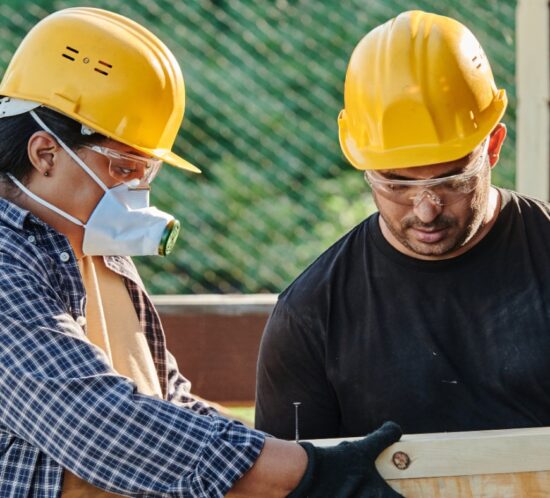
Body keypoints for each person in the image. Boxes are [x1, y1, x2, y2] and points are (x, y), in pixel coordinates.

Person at [0, 6, 404, 498]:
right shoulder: (7, 263)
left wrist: (285, 461)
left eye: (149, 171)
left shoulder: (99, 248)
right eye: (125, 167)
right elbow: (96, 422)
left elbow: (167, 403)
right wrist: (310, 473)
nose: (139, 191)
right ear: (45, 154)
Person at [255, 9, 550, 441]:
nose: (426, 209)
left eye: (450, 180)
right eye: (396, 183)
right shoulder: (313, 314)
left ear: (493, 146)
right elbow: (289, 480)